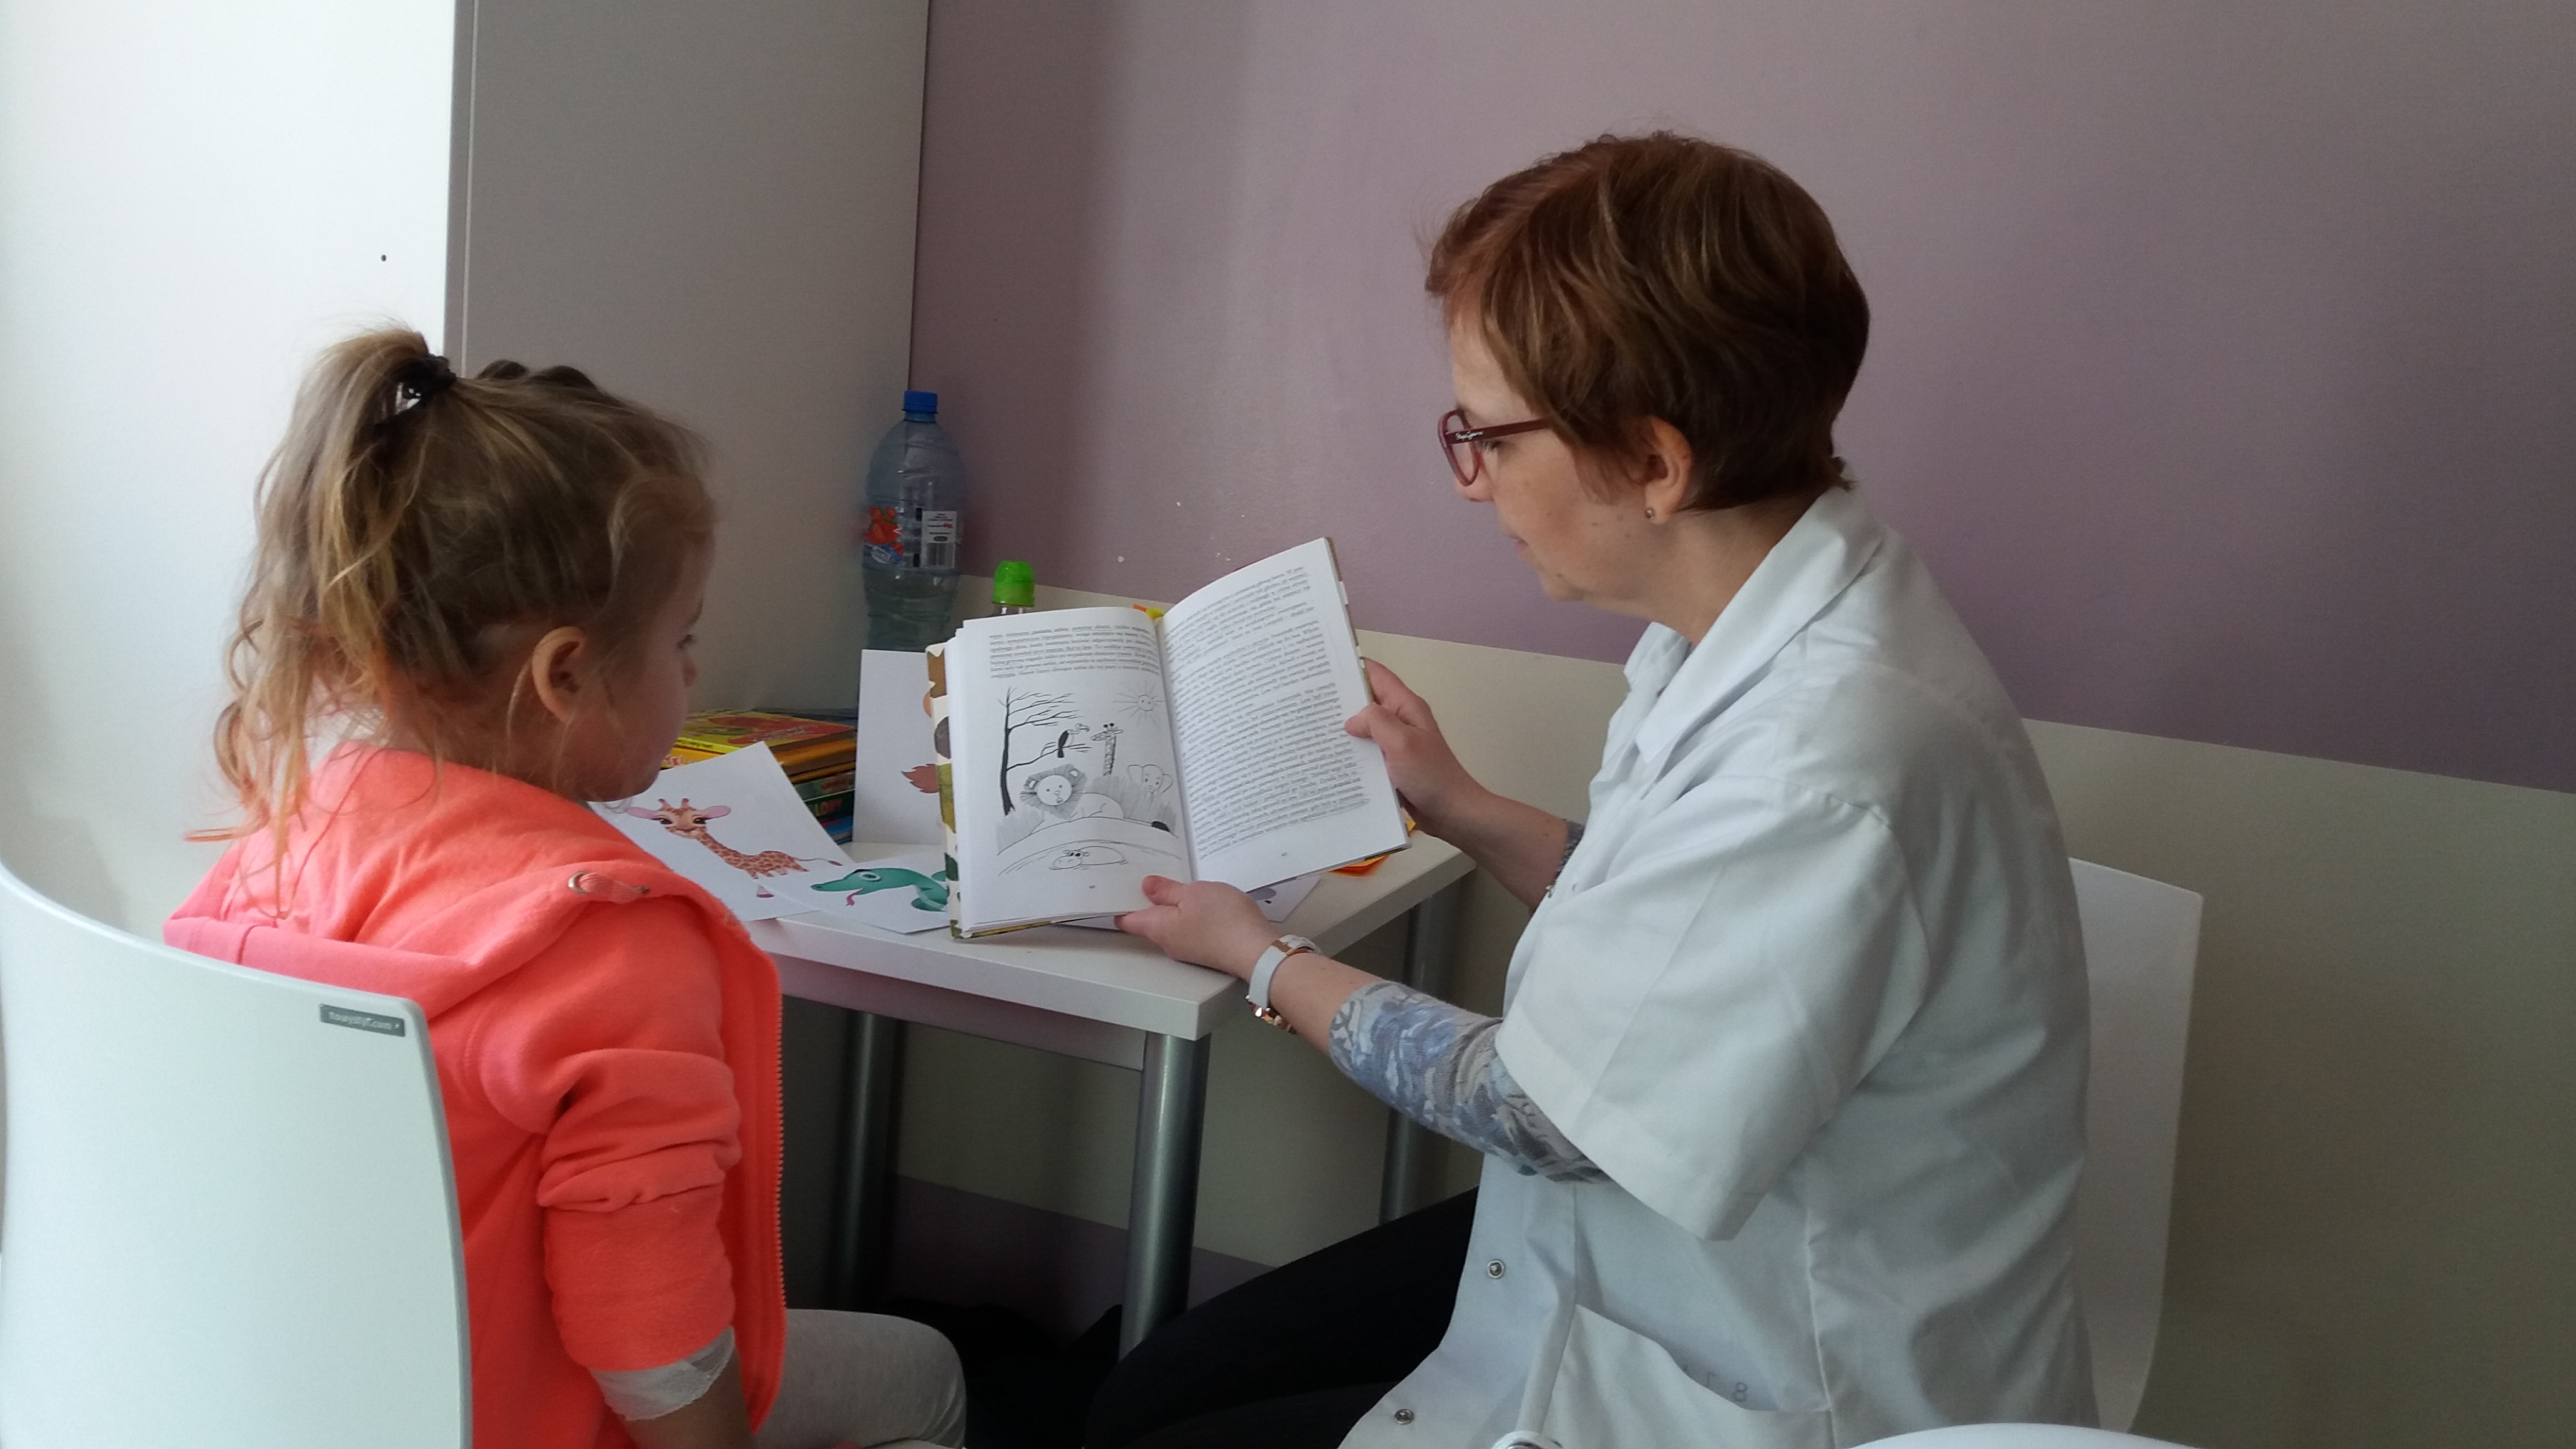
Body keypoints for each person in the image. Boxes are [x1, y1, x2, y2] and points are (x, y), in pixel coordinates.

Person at [1097, 133, 2095, 1448]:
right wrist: (1459, 802)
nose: (1473, 482)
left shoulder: (1822, 754)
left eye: (1488, 437)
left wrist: (1261, 958)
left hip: (1770, 1360)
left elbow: (1536, 1110)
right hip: (1631, 1236)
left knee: (1157, 1430)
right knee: (1155, 1389)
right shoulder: (1755, 619)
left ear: (1657, 463)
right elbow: (1668, 922)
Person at [163, 331, 967, 1449]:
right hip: (522, 1412)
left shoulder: (273, 848)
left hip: (306, 1403)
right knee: (925, 1374)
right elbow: (652, 1338)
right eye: (682, 640)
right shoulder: (617, 947)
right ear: (567, 673)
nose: (693, 672)